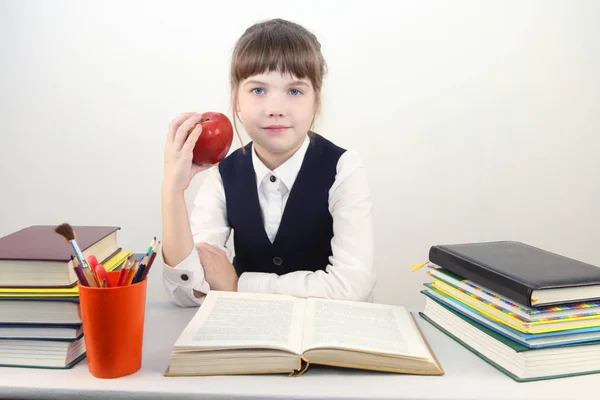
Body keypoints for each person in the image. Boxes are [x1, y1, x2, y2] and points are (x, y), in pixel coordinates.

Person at [161, 18, 375, 307]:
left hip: (326, 338)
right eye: (258, 90)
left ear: (316, 101)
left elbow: (352, 286)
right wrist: (172, 193)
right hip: (247, 338)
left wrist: (238, 285)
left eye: (295, 91)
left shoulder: (344, 168)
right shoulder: (224, 174)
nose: (275, 109)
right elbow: (188, 293)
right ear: (236, 99)